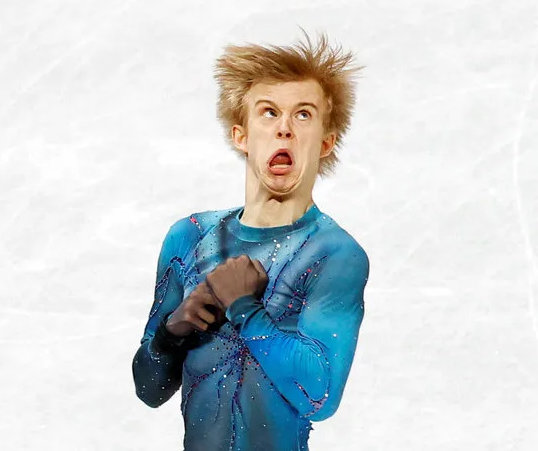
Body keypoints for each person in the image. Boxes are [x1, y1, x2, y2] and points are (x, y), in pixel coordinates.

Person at [132, 29, 370, 451]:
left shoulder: (335, 254)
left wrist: (243, 307)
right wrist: (176, 327)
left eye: (303, 115)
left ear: (326, 142)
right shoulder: (189, 237)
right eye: (268, 112)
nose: (284, 130)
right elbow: (149, 388)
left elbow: (321, 396)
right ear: (241, 135)